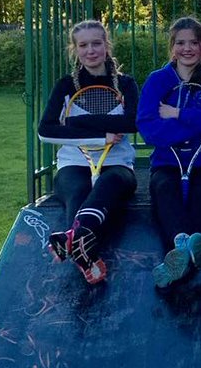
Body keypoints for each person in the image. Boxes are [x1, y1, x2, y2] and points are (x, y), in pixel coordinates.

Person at [137, 16, 201, 289]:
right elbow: (149, 127)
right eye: (181, 43)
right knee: (163, 190)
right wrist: (199, 123)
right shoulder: (158, 80)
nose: (187, 49)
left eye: (194, 42)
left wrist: (178, 114)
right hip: (168, 161)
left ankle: (188, 252)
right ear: (172, 46)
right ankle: (184, 247)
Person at [37, 19, 138, 284]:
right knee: (78, 193)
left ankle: (71, 238)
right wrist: (101, 135)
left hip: (118, 165)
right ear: (75, 49)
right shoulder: (65, 86)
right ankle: (85, 254)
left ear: (107, 46)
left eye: (97, 43)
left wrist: (74, 123)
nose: (90, 50)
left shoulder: (126, 85)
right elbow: (45, 131)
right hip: (73, 164)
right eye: (83, 45)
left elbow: (132, 123)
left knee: (109, 183)